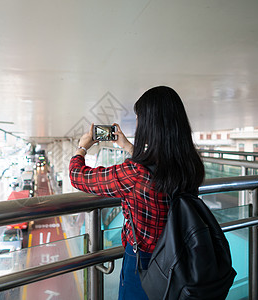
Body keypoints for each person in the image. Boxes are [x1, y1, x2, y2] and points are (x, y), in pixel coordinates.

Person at [69, 86, 205, 299]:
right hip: (183, 254)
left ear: (149, 125)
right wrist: (128, 147)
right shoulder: (190, 163)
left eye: (140, 118)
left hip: (144, 261)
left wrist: (82, 148)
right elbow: (156, 171)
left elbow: (78, 176)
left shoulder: (134, 173)